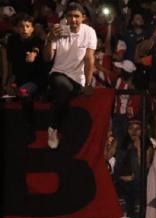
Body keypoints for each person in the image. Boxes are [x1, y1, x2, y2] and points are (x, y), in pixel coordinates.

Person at [43, 2, 97, 149]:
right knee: (62, 88)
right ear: (65, 17)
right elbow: (47, 58)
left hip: (78, 79)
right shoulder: (59, 30)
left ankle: (58, 129)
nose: (73, 19)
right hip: (58, 73)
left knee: (65, 97)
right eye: (70, 16)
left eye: (76, 16)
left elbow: (89, 58)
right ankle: (52, 128)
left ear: (83, 17)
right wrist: (50, 39)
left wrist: (88, 83)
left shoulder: (89, 32)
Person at [2, 13, 45, 129]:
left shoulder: (37, 41)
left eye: (27, 26)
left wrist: (33, 54)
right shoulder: (12, 40)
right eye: (21, 26)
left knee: (23, 92)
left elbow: (36, 48)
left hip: (36, 80)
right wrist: (9, 82)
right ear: (16, 28)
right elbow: (10, 63)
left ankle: (30, 123)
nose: (24, 29)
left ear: (32, 28)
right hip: (18, 79)